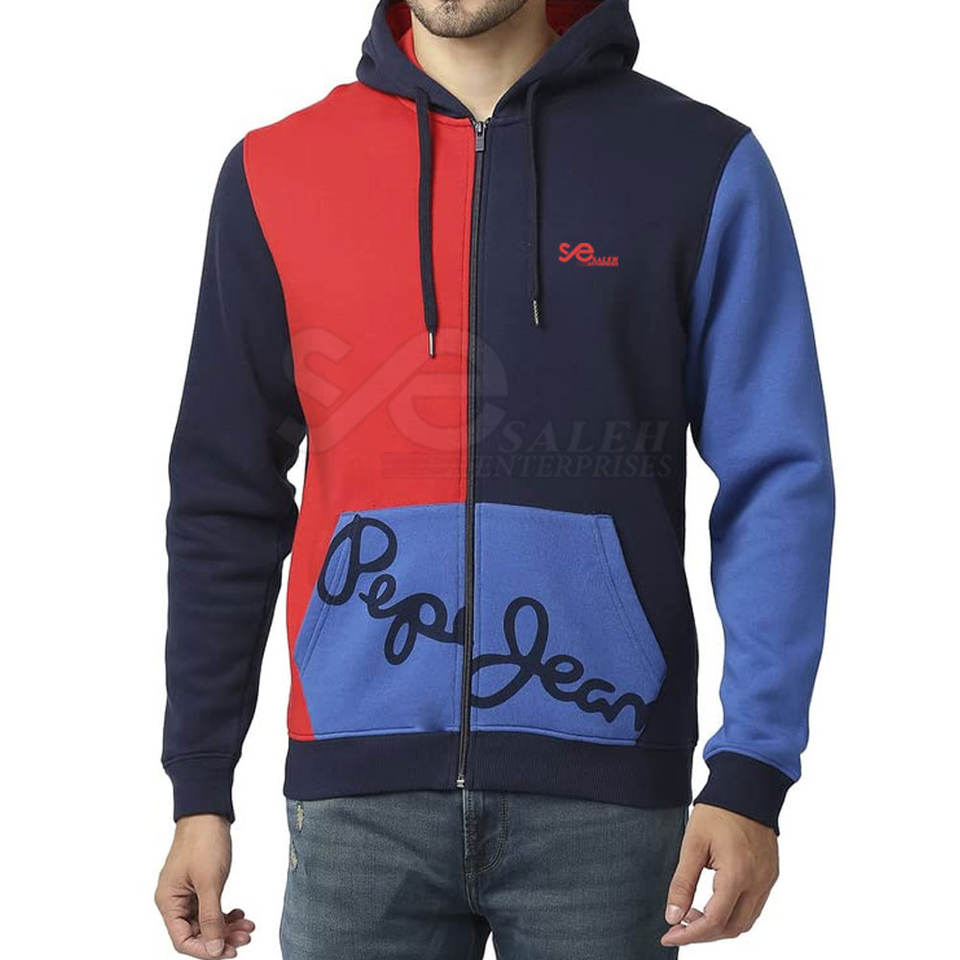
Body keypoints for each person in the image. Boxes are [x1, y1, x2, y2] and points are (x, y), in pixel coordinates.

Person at [155, 1, 834, 957]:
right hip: (357, 801)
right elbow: (225, 495)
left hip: (607, 793)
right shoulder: (277, 171)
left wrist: (754, 768)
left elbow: (777, 479)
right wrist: (199, 784)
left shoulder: (698, 164)